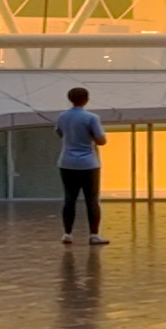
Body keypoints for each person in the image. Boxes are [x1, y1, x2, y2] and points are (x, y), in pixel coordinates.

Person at [55, 87, 108, 245]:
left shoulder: (62, 116)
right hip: (88, 163)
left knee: (69, 198)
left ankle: (67, 234)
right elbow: (101, 140)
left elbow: (59, 133)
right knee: (91, 200)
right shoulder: (92, 117)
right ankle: (94, 235)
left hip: (66, 162)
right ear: (86, 99)